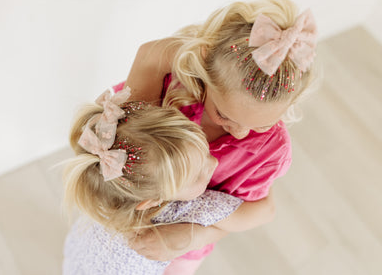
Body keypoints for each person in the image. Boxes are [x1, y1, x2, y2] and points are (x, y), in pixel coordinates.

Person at [118, 0, 319, 273]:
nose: (240, 132)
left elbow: (257, 210)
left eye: (261, 124)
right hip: (127, 216)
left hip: (185, 247)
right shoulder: (172, 86)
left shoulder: (271, 149)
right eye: (224, 115)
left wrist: (194, 236)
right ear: (203, 69)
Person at [62, 87, 266, 274]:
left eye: (204, 149)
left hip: (77, 262)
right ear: (151, 202)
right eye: (196, 176)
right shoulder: (186, 209)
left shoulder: (102, 193)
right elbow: (262, 213)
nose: (213, 163)